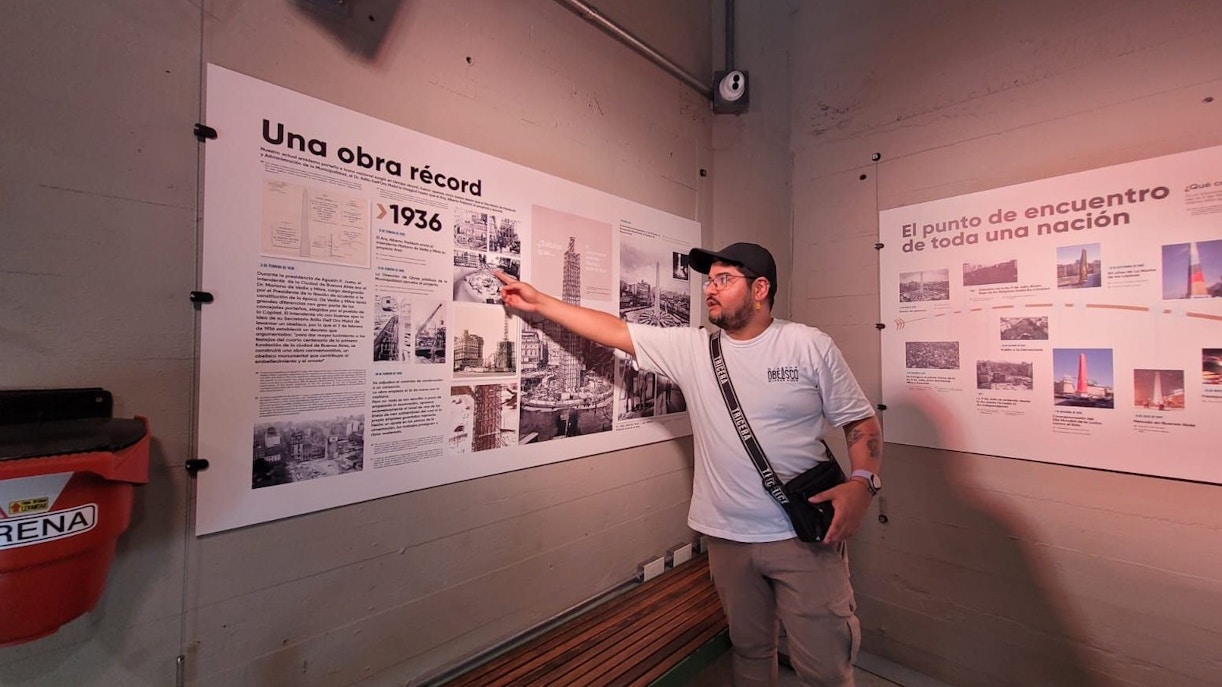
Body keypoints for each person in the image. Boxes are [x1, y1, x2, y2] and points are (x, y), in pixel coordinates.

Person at [496, 242, 882, 687]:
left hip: (803, 536)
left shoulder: (808, 345)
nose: (709, 290)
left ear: (760, 289)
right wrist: (539, 301)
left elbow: (860, 420)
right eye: (708, 281)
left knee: (826, 667)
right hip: (727, 540)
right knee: (752, 655)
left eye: (723, 280)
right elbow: (614, 331)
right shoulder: (694, 348)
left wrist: (863, 481)